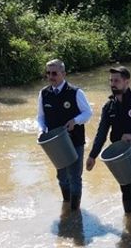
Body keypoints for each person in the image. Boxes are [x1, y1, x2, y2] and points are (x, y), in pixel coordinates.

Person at [86, 66, 131, 221]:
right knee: (125, 189)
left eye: (116, 80)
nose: (113, 84)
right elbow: (101, 133)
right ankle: (128, 221)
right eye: (111, 81)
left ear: (127, 82)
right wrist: (92, 155)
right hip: (120, 155)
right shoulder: (109, 107)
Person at [37, 59, 92, 211]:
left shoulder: (75, 92)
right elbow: (40, 117)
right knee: (61, 178)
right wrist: (41, 130)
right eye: (48, 73)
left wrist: (75, 120)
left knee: (75, 177)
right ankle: (66, 203)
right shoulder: (44, 93)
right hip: (55, 144)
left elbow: (88, 113)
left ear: (63, 74)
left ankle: (74, 212)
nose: (50, 76)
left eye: (54, 73)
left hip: (75, 141)